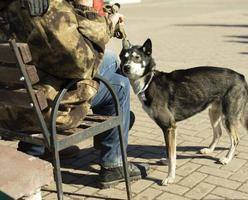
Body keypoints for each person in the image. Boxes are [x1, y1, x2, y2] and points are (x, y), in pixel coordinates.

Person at [0, 0, 149, 188]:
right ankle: (114, 164)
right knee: (118, 82)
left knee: (109, 61)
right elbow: (82, 65)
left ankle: (36, 148)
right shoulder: (45, 6)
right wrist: (91, 12)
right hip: (50, 110)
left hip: (9, 108)